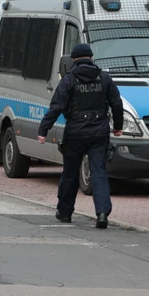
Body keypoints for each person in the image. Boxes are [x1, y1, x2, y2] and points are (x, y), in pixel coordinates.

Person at [37, 43, 123, 228]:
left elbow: (57, 106)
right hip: (99, 131)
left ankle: (65, 212)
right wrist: (117, 126)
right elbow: (116, 103)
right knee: (98, 172)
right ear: (91, 58)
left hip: (75, 132)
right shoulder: (104, 78)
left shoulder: (68, 79)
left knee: (70, 173)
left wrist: (43, 130)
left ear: (74, 59)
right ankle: (101, 213)